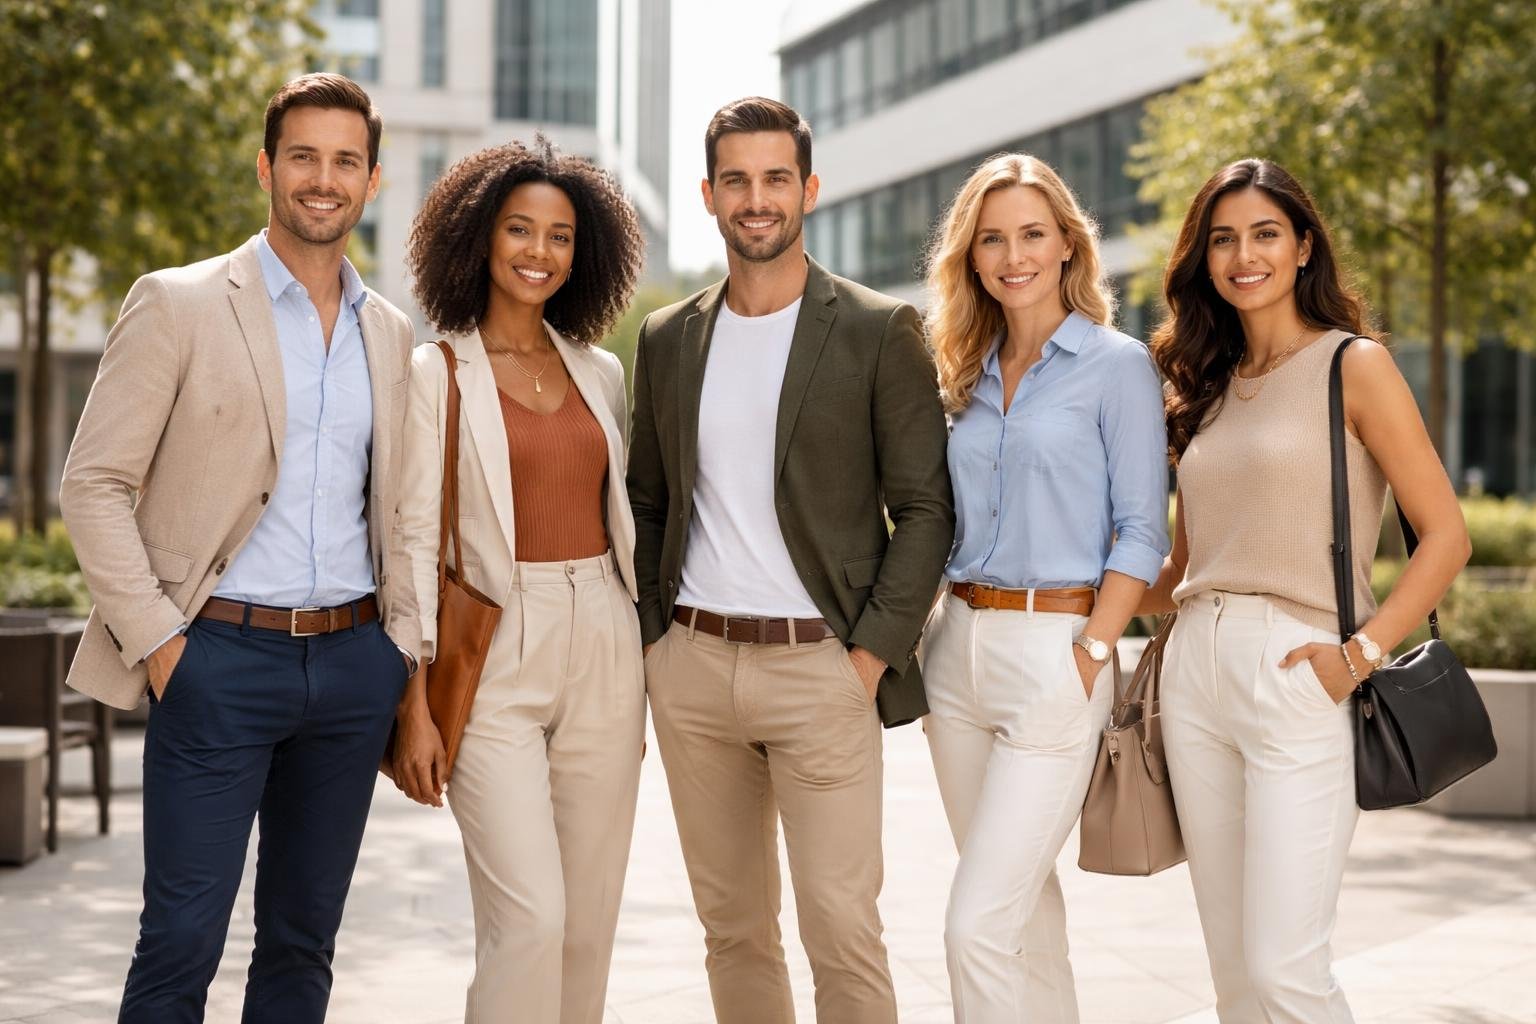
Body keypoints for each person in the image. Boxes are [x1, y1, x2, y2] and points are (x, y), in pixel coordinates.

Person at [58, 73, 418, 1023]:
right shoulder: (177, 303)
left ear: (372, 180)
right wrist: (165, 646)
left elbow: (403, 512)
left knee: (304, 946)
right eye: (303, 156)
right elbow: (93, 484)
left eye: (346, 161)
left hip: (351, 669)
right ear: (267, 166)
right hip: (217, 660)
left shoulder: (391, 334)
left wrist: (398, 657)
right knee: (181, 942)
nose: (322, 179)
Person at [626, 96, 954, 1023]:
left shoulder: (876, 329)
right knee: (732, 930)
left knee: (842, 932)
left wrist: (866, 661)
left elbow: (926, 509)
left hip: (823, 670)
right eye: (737, 179)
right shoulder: (668, 336)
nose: (756, 198)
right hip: (693, 667)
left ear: (808, 189)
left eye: (776, 179)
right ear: (709, 193)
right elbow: (647, 499)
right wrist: (658, 644)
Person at [1139, 158, 1471, 1022]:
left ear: (1302, 247)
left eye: (1263, 234)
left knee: (1286, 968)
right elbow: (1183, 567)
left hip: (1299, 672)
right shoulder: (1202, 387)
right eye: (1223, 239)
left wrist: (1357, 656)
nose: (1242, 255)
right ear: (1202, 259)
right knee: (1235, 974)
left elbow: (1446, 535)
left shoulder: (1351, 366)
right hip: (1196, 672)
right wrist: (1065, 597)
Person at [389, 138, 646, 1024]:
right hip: (494, 648)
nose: (540, 252)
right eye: (520, 230)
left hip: (604, 634)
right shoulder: (437, 373)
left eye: (562, 236)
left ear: (586, 253)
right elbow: (415, 540)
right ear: (479, 239)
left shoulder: (601, 371)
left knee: (587, 921)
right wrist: (414, 699)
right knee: (529, 917)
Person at [919, 153, 1169, 1022]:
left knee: (975, 926)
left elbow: (1143, 530)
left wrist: (1094, 652)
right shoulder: (962, 371)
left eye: (1031, 233)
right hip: (956, 654)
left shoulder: (1117, 366)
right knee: (1023, 908)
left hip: (1059, 653)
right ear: (971, 256)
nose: (1011, 254)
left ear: (1068, 243)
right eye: (991, 238)